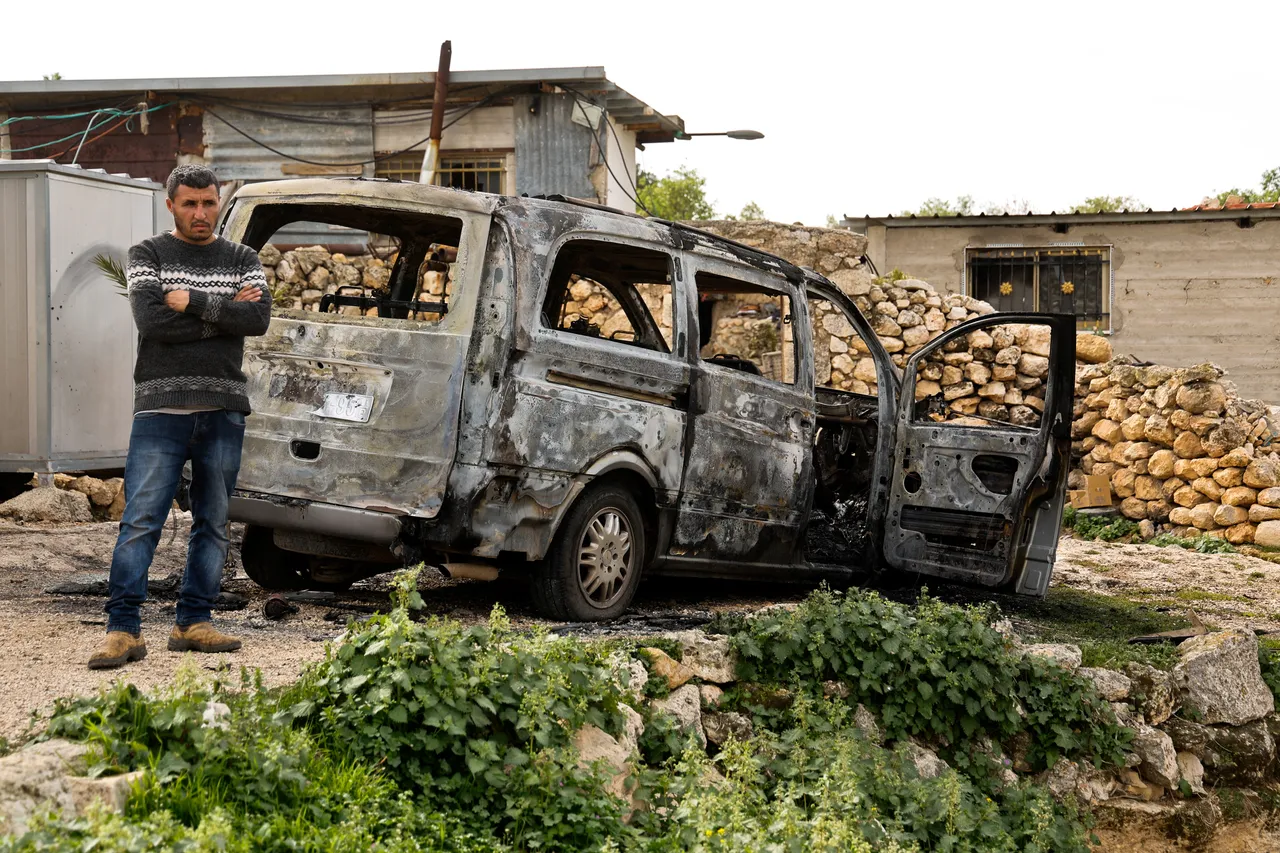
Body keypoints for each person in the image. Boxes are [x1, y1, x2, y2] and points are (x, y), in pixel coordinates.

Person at [89, 164, 271, 670]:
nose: (200, 212)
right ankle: (123, 630)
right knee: (140, 521)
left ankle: (193, 622)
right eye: (190, 203)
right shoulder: (147, 254)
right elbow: (152, 322)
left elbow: (257, 318)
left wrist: (192, 301)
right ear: (171, 205)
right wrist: (223, 313)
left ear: (219, 202)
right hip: (160, 409)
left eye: (208, 202)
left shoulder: (242, 257)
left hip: (223, 409)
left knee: (213, 523)